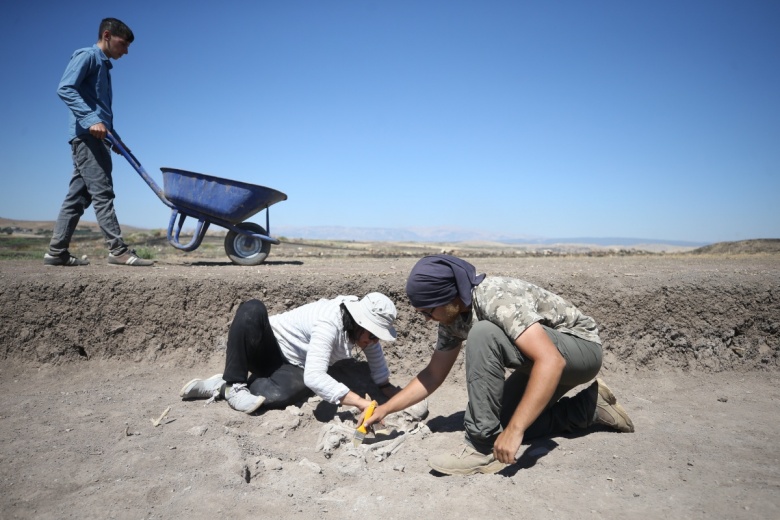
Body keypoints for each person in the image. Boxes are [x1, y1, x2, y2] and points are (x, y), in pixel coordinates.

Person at [363, 254, 634, 476]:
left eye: (428, 311)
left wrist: (517, 431)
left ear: (450, 296)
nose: (426, 319)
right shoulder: (452, 317)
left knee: (483, 334)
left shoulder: (494, 297)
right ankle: (589, 408)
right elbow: (433, 374)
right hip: (547, 359)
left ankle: (480, 449)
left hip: (581, 349)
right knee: (499, 428)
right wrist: (385, 409)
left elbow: (551, 360)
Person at [44, 17, 153, 267]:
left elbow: (99, 110)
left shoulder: (104, 66)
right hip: (87, 138)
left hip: (97, 137)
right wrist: (91, 119)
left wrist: (115, 138)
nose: (126, 51)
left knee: (78, 198)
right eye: (123, 44)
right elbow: (65, 88)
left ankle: (56, 252)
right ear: (107, 35)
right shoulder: (88, 56)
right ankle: (118, 250)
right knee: (103, 192)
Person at [181, 293, 400, 415]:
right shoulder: (329, 322)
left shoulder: (359, 328)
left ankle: (221, 386)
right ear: (360, 323)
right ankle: (233, 383)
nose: (374, 342)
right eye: (373, 336)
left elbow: (375, 354)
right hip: (268, 346)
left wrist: (385, 387)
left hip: (293, 365)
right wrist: (362, 403)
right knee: (252, 309)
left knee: (276, 398)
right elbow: (315, 377)